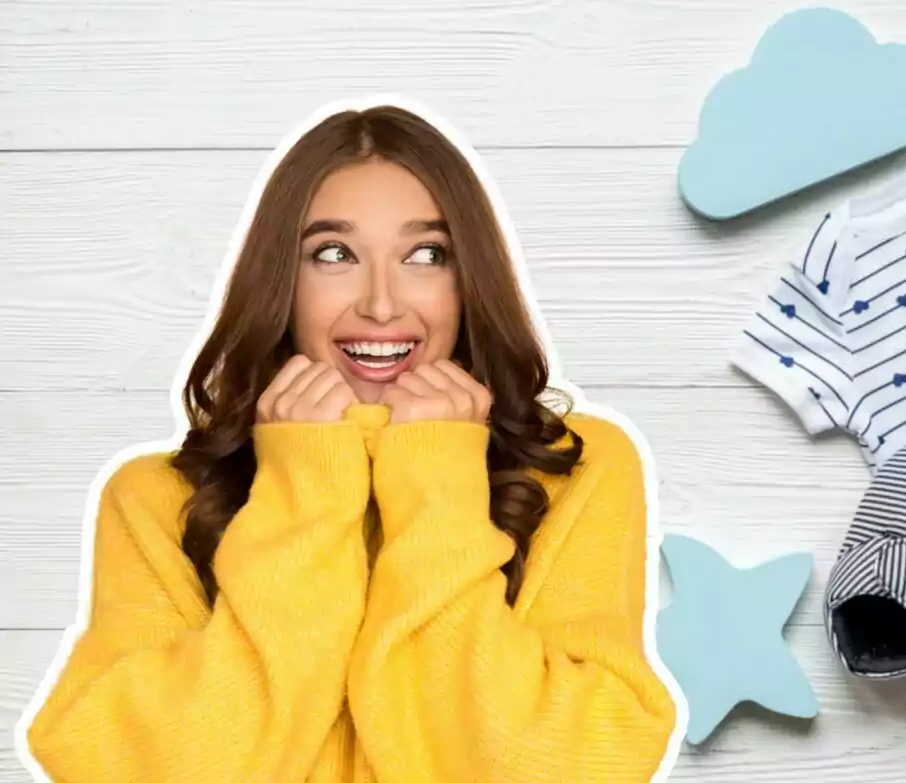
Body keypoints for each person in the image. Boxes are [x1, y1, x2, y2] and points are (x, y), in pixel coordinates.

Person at [22, 102, 679, 782]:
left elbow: (569, 766)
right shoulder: (156, 497)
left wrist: (438, 478)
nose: (382, 304)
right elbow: (138, 768)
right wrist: (306, 488)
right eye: (333, 254)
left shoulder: (577, 469)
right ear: (281, 279)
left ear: (469, 279)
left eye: (427, 254)